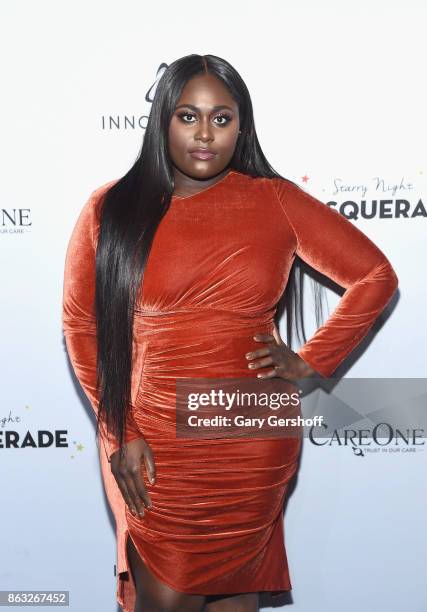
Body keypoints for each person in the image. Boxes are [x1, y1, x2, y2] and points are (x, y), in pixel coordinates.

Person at [62, 54, 399, 612]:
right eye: (187, 116)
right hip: (152, 435)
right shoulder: (110, 209)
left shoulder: (274, 201)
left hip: (250, 432)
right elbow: (82, 326)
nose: (204, 134)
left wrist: (312, 359)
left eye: (222, 119)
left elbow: (375, 274)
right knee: (164, 600)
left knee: (236, 605)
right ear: (161, 121)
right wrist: (120, 432)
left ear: (241, 126)